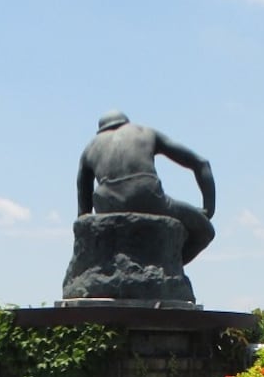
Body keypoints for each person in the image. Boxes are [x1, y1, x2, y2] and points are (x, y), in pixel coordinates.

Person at [76, 110, 216, 264]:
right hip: (148, 199)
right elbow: (201, 163)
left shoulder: (90, 147)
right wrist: (208, 208)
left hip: (107, 206)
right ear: (126, 122)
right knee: (205, 232)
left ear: (101, 130)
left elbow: (83, 209)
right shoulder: (145, 132)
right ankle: (169, 267)